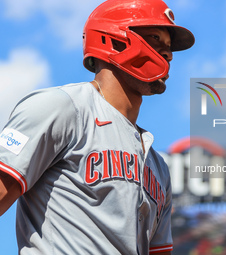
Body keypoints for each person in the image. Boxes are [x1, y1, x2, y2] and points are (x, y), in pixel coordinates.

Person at [0, 0, 194, 254]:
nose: (167, 55)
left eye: (168, 48)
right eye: (155, 39)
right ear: (114, 40)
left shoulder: (158, 167)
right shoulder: (61, 108)